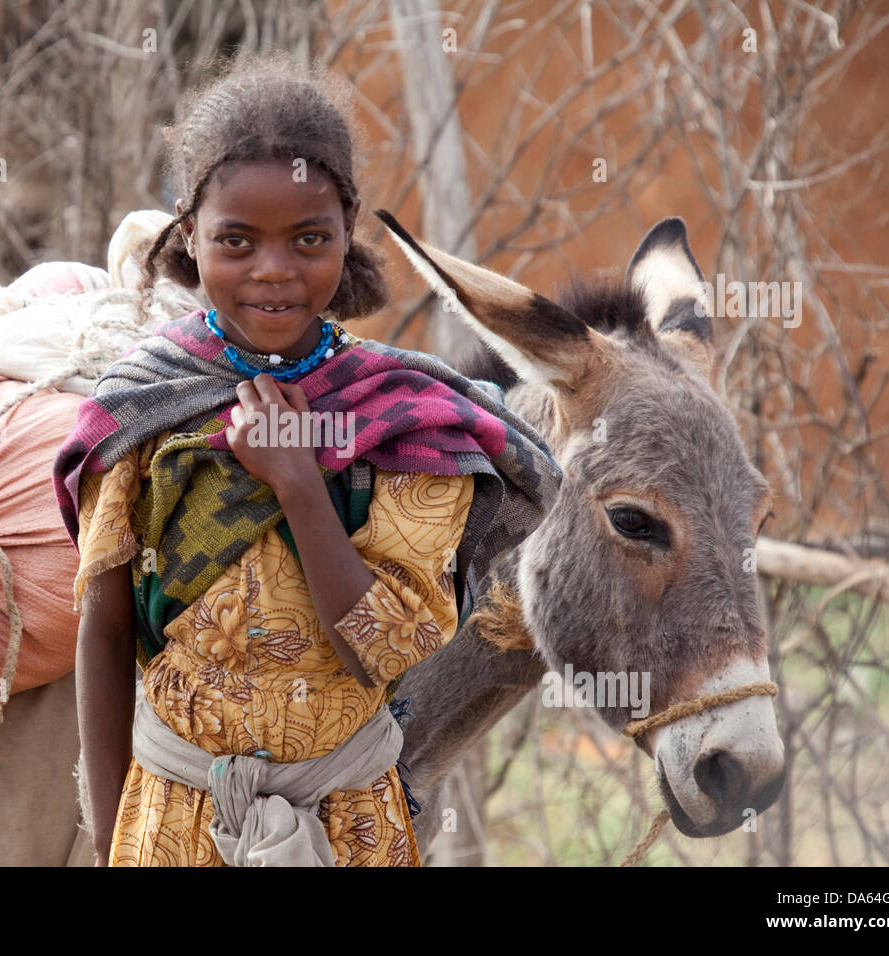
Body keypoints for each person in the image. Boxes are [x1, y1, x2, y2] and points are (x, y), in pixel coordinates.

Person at [51, 52, 560, 866]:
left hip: (347, 821)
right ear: (190, 234)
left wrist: (297, 483)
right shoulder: (140, 410)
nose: (274, 271)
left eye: (308, 239)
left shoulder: (402, 418)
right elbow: (105, 637)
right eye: (238, 241)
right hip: (172, 824)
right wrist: (114, 843)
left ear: (346, 233)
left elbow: (391, 652)